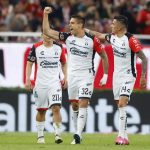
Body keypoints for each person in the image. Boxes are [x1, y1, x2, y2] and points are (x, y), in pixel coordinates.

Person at [42, 7, 109, 144]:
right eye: (70, 22)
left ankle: (78, 134)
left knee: (83, 101)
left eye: (72, 23)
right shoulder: (68, 38)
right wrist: (45, 15)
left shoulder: (92, 40)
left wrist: (105, 75)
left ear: (80, 25)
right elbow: (47, 31)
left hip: (87, 75)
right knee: (74, 105)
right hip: (72, 76)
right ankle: (77, 133)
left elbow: (104, 56)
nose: (69, 25)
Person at [86, 15, 147, 145]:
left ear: (120, 26)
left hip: (128, 75)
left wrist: (143, 76)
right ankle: (125, 137)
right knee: (119, 106)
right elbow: (100, 35)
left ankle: (120, 136)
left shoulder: (131, 40)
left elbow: (144, 58)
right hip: (116, 76)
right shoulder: (112, 37)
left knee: (122, 103)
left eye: (113, 24)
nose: (111, 25)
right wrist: (84, 30)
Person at [25, 33, 67, 144]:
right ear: (42, 35)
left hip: (54, 84)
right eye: (45, 34)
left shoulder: (59, 47)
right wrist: (28, 79)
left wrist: (66, 77)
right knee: (41, 111)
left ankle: (58, 134)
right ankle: (40, 136)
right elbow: (29, 64)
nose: (48, 36)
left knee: (56, 108)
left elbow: (64, 63)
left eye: (50, 34)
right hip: (40, 84)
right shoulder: (36, 47)